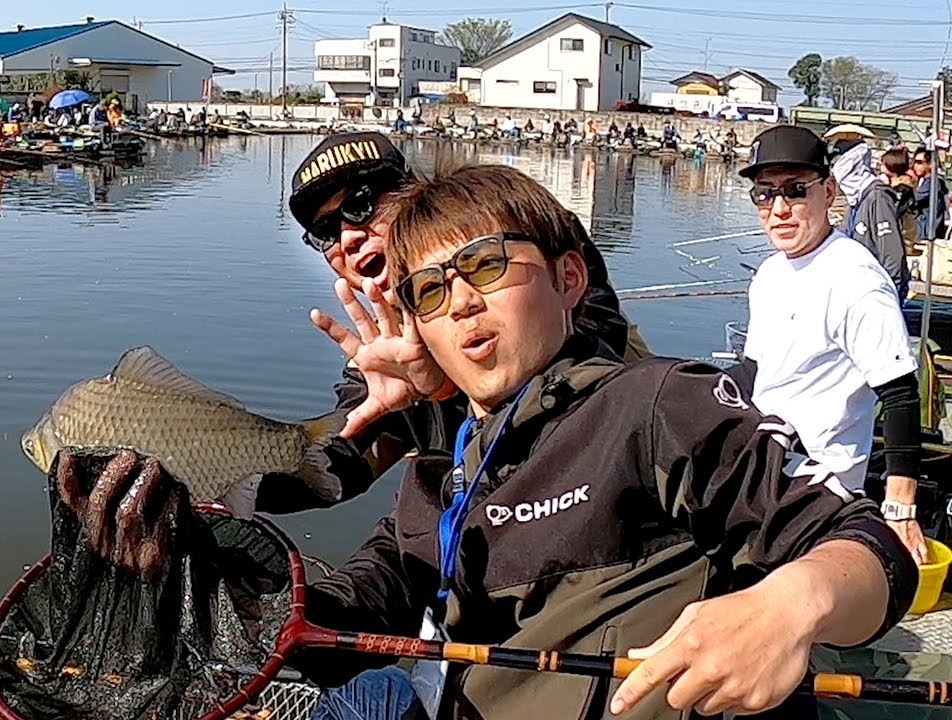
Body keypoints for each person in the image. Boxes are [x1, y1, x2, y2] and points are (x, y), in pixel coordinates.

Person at [65, 162, 917, 720]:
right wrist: (195, 576)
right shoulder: (453, 434)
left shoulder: (655, 401)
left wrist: (790, 602)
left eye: (482, 268)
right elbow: (377, 566)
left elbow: (873, 546)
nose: (460, 302)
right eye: (429, 292)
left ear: (570, 275)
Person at [248, 132, 650, 515]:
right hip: (488, 525)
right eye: (324, 231)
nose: (348, 237)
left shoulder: (521, 238)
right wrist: (206, 481)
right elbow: (336, 469)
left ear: (411, 195)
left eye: (360, 205)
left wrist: (442, 389)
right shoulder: (384, 355)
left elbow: (596, 346)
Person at [737, 125, 926, 563]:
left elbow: (899, 395)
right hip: (762, 466)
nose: (779, 209)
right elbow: (753, 374)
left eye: (795, 191)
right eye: (765, 195)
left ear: (829, 191)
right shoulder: (770, 273)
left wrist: (899, 509)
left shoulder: (855, 280)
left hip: (818, 486)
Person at [829, 137, 908, 299]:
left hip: (875, 293)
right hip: (854, 290)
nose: (836, 169)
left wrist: (891, 296)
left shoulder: (877, 197)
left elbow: (891, 253)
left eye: (839, 162)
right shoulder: (855, 201)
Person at [880, 147, 919, 257]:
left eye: (883, 164)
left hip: (901, 240)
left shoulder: (902, 188)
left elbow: (896, 212)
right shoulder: (896, 186)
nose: (881, 167)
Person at [913, 146, 948, 245]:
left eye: (919, 162)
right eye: (915, 162)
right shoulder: (923, 181)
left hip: (926, 234)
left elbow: (913, 199)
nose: (916, 166)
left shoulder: (933, 183)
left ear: (930, 164)